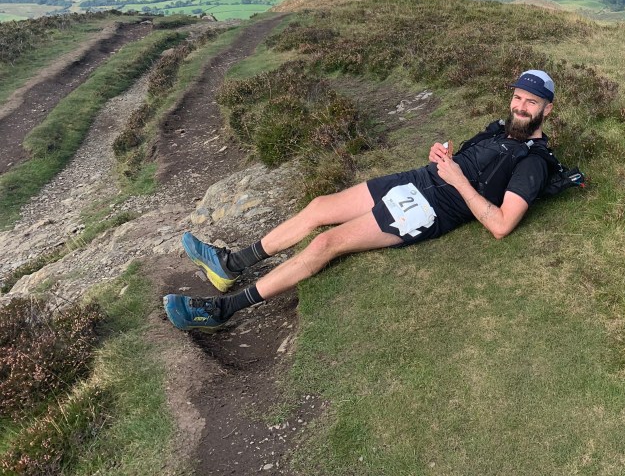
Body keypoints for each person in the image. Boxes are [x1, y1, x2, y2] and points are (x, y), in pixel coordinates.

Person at [162, 69, 558, 332]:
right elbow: (467, 163)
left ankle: (222, 311)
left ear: (547, 109)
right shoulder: (499, 129)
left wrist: (457, 180)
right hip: (418, 180)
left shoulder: (534, 163)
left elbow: (501, 225)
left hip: (430, 209)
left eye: (531, 102)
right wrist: (443, 156)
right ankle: (230, 264)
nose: (520, 107)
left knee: (326, 242)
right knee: (320, 207)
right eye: (518, 98)